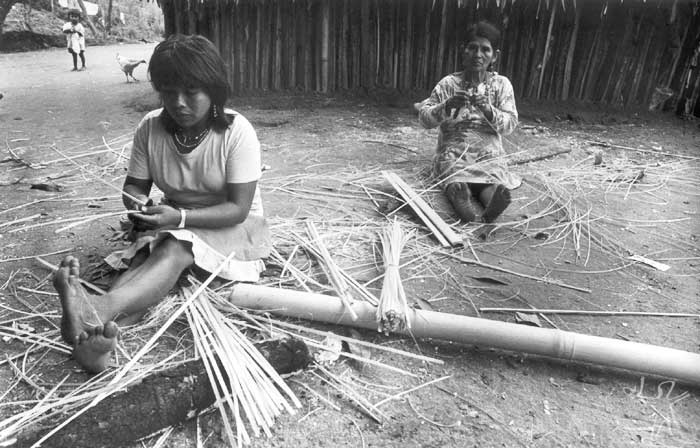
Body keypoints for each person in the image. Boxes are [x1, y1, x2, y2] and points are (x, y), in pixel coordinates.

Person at [52, 34, 272, 373]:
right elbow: (134, 187)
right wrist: (138, 207)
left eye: (191, 92)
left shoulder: (236, 131)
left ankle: (94, 309)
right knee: (143, 263)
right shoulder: (151, 128)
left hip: (234, 229)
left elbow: (238, 209)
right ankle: (99, 341)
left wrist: (179, 218)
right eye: (169, 92)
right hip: (172, 220)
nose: (179, 102)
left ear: (213, 88)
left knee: (175, 249)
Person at [419, 21, 520, 224]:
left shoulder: (501, 85)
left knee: (490, 176)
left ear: (495, 56)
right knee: (453, 172)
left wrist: (488, 110)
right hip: (454, 149)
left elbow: (510, 124)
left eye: (485, 49)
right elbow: (425, 119)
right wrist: (446, 106)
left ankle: (492, 204)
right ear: (463, 51)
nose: (478, 54)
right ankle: (461, 200)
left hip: (488, 152)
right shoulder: (448, 84)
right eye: (472, 48)